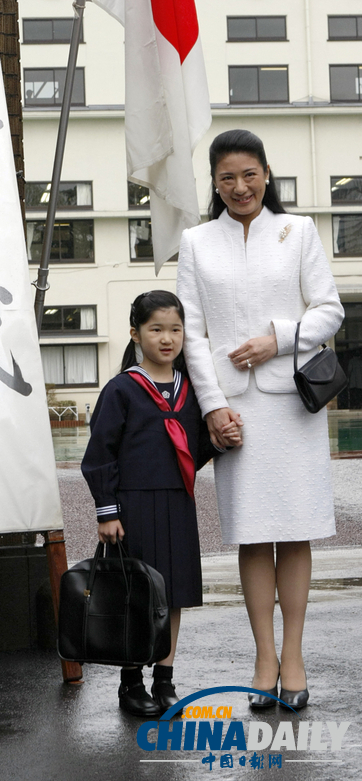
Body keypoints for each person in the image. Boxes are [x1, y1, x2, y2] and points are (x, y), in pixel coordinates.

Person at [176, 129, 344, 711]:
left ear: (266, 174)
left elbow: (329, 310)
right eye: (227, 177)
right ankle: (263, 659)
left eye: (249, 174)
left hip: (292, 404)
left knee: (294, 530)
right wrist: (211, 405)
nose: (239, 187)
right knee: (252, 533)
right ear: (215, 183)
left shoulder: (298, 231)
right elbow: (192, 334)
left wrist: (279, 338)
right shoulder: (197, 242)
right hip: (235, 410)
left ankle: (293, 655)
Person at [81, 290, 241, 716]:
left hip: (177, 504)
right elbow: (99, 454)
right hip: (132, 508)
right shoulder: (122, 389)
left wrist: (220, 442)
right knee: (136, 595)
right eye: (156, 329)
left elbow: (190, 452)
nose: (167, 339)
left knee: (173, 594)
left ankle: (165, 680)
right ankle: (131, 682)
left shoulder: (191, 390)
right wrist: (107, 510)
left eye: (175, 329)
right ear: (135, 334)